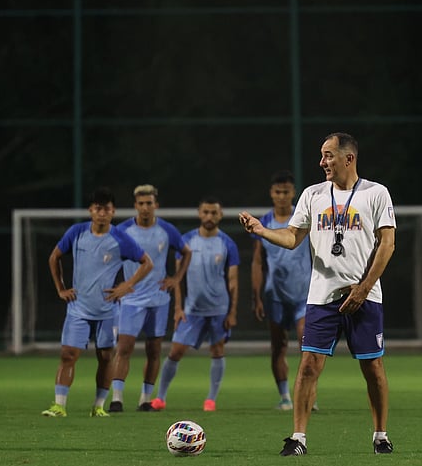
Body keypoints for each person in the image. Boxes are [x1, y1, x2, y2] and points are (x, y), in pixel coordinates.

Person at [238, 132, 397, 456]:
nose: (322, 162)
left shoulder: (375, 193)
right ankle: (298, 438)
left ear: (348, 158)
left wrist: (364, 288)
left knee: (373, 368)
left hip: (364, 296)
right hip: (322, 296)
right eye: (322, 155)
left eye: (328, 155)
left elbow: (388, 244)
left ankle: (380, 435)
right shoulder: (313, 194)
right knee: (309, 365)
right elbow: (294, 236)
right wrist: (262, 230)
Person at [43, 187, 153, 417]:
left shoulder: (120, 238)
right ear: (91, 211)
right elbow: (54, 257)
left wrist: (127, 285)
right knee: (68, 354)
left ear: (113, 212)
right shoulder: (77, 232)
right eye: (98, 209)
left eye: (107, 209)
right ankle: (59, 405)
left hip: (107, 311)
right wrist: (60, 288)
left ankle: (98, 406)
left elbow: (146, 263)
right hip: (78, 309)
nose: (102, 213)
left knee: (105, 357)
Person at [150, 197, 240, 412]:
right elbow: (177, 278)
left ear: (220, 215)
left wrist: (232, 312)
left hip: (219, 308)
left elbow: (233, 280)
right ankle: (160, 397)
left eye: (214, 213)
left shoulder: (227, 243)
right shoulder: (187, 241)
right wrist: (178, 308)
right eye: (206, 212)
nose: (209, 216)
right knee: (175, 351)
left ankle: (211, 399)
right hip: (192, 310)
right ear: (200, 214)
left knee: (217, 350)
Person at [108, 184, 192, 412]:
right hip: (131, 300)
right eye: (141, 204)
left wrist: (176, 278)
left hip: (159, 300)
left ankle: (145, 399)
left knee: (154, 350)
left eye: (149, 203)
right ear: (135, 206)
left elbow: (187, 252)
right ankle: (117, 399)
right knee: (124, 347)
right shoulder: (122, 230)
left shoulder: (167, 230)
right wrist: (116, 285)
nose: (145, 208)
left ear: (156, 205)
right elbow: (108, 255)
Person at [250, 170, 313, 410]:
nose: (282, 196)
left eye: (286, 192)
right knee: (279, 346)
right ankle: (285, 396)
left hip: (303, 294)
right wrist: (256, 296)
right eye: (278, 192)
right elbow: (257, 261)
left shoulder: (304, 216)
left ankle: (308, 396)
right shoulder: (264, 222)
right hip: (274, 295)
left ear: (293, 193)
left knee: (306, 344)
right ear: (271, 194)